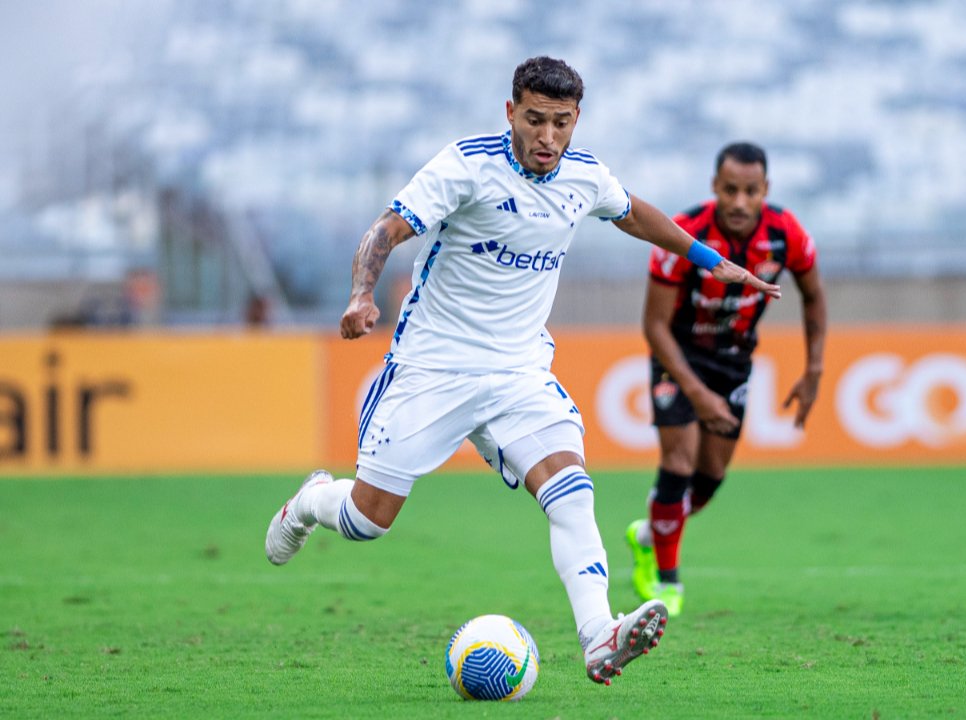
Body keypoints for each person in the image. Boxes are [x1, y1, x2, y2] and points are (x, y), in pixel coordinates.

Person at [263, 57, 781, 686]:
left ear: (575, 121)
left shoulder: (583, 176)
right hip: (433, 367)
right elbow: (386, 230)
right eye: (535, 120)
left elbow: (634, 213)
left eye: (560, 123)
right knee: (367, 520)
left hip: (518, 372)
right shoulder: (466, 165)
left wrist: (710, 260)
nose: (547, 136)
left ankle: (598, 636)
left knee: (571, 488)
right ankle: (312, 500)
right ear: (511, 112)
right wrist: (361, 294)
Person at [625, 141, 827, 618]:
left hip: (733, 362)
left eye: (750, 191)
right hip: (676, 357)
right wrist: (696, 391)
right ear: (715, 187)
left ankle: (649, 534)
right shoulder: (684, 234)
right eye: (730, 190)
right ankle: (666, 583)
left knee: (710, 479)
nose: (739, 201)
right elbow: (654, 325)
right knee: (679, 457)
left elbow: (814, 296)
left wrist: (814, 369)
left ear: (765, 191)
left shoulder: (786, 234)